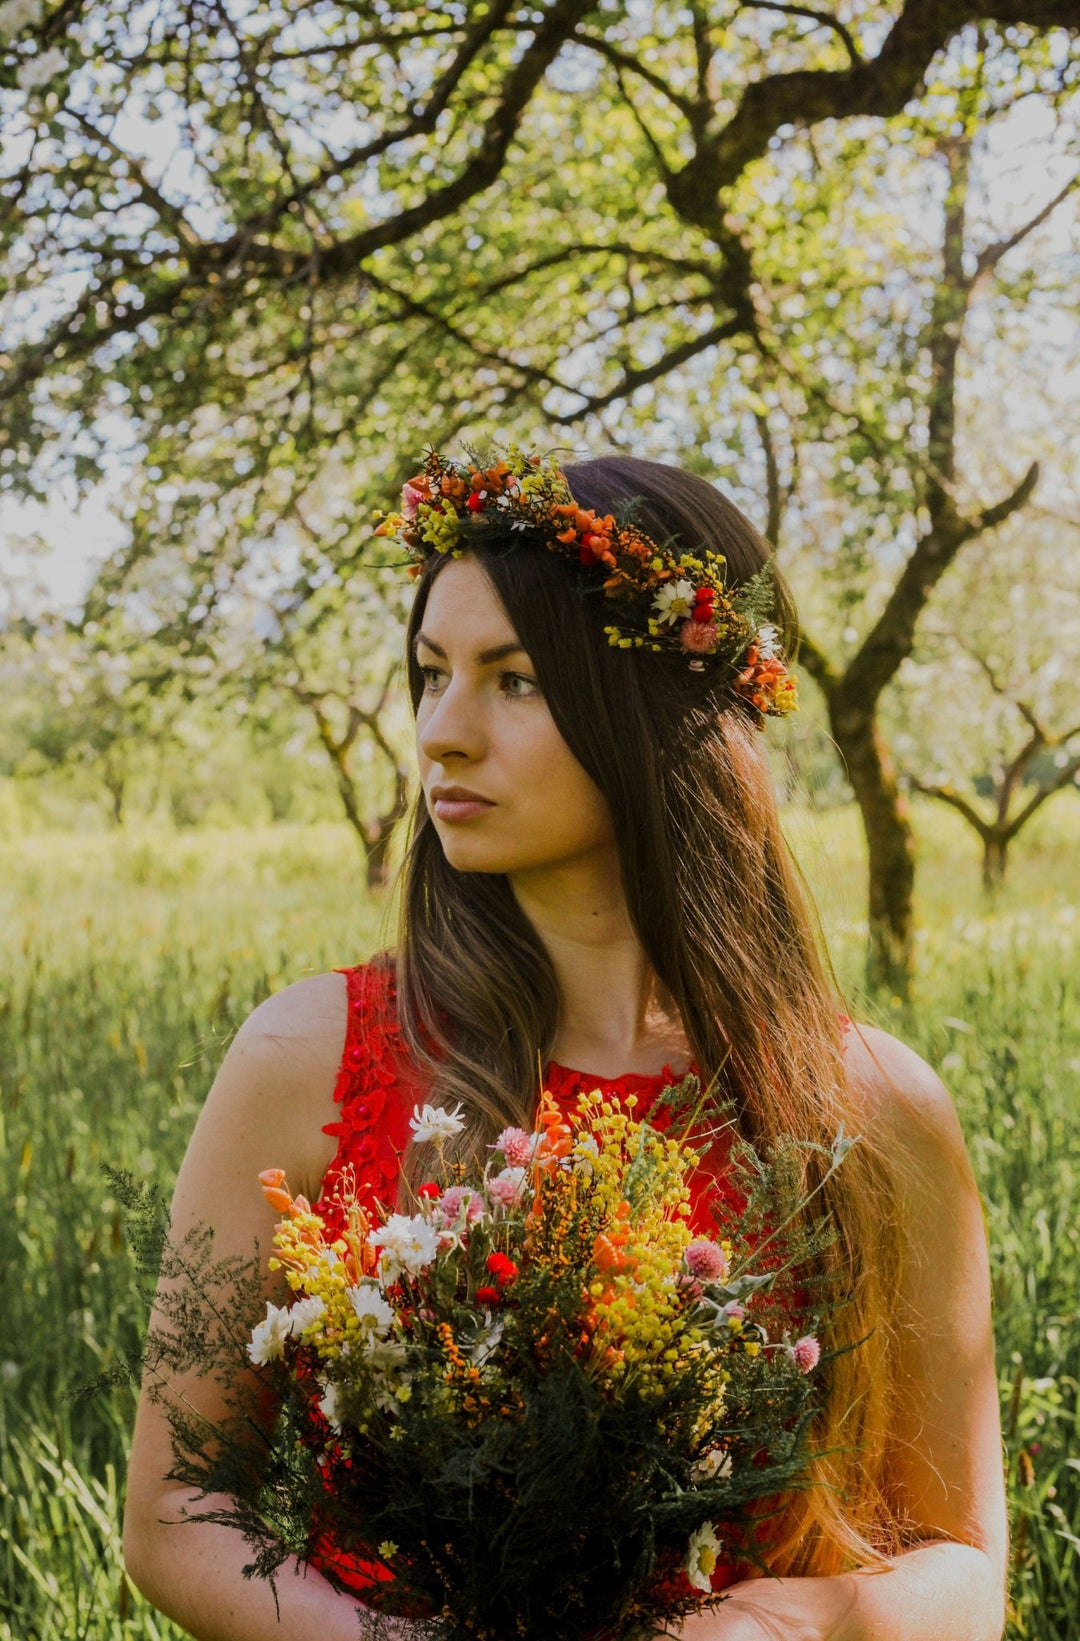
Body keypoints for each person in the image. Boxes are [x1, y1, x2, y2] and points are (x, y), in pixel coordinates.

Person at [123, 448, 1007, 1641]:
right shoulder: (306, 1056)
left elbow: (963, 1561)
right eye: (432, 675)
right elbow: (176, 1509)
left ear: (664, 710)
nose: (442, 733)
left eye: (517, 680)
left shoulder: (877, 1104)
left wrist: (783, 1628)